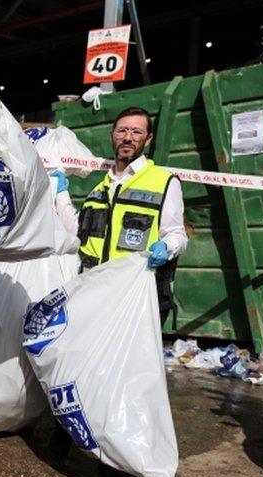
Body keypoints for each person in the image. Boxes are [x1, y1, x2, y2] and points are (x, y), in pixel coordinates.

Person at [56, 106, 187, 323]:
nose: (128, 138)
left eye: (136, 132)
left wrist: (167, 247)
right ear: (112, 135)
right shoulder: (99, 189)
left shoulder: (164, 182)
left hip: (135, 299)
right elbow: (78, 233)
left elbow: (178, 235)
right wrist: (61, 195)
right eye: (122, 131)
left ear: (148, 139)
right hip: (94, 293)